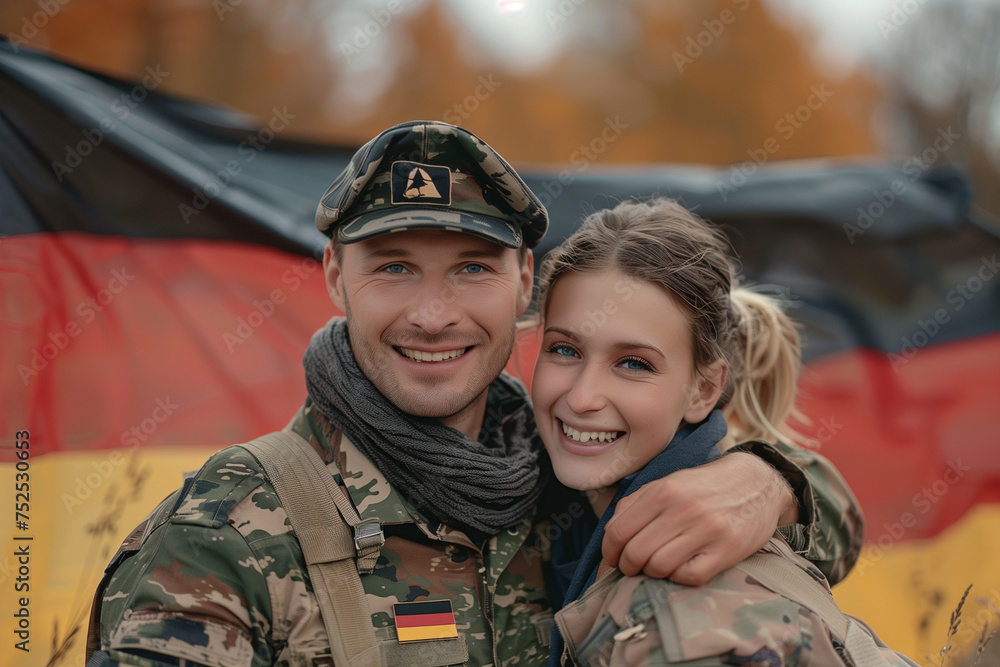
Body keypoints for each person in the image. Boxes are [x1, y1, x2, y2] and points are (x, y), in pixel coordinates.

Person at [87, 121, 863, 667]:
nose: (433, 314)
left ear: (525, 282)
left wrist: (773, 481)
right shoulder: (230, 529)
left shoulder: (574, 475)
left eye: (471, 268)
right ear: (334, 277)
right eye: (394, 266)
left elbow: (829, 531)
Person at [532, 197, 914, 666]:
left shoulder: (699, 605)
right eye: (565, 350)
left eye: (634, 363)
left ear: (704, 390)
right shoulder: (518, 452)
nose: (581, 397)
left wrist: (772, 484)